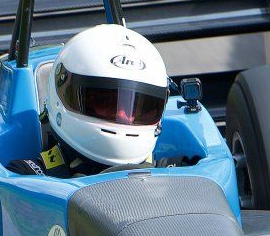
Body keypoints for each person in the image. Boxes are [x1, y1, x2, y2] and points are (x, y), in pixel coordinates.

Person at [11, 23, 171, 178]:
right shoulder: (26, 177)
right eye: (106, 102)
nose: (123, 115)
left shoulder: (175, 173)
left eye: (140, 107)